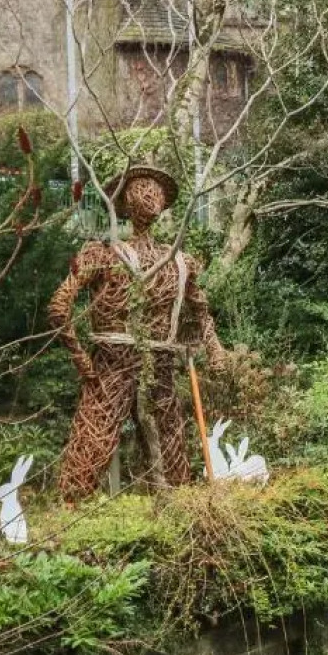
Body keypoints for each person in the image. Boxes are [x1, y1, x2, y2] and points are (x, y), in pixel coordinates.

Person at [48, 167, 226, 501]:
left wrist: (215, 349)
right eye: (142, 188)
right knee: (91, 447)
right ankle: (69, 522)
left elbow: (201, 309)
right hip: (110, 366)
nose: (151, 195)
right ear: (125, 202)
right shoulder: (102, 254)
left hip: (160, 366)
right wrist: (81, 359)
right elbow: (59, 306)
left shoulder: (178, 262)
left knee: (173, 458)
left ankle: (179, 518)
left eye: (157, 190)